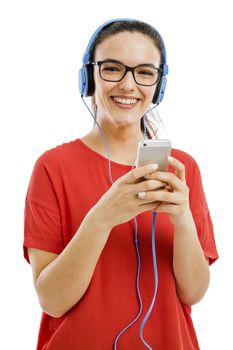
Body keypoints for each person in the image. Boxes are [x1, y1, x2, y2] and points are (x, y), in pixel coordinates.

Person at [23, 18, 218, 350]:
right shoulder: (52, 167)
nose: (129, 85)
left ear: (158, 84)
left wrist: (183, 220)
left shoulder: (182, 170)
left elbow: (194, 293)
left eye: (144, 72)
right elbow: (52, 301)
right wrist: (102, 218)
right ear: (88, 77)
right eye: (113, 68)